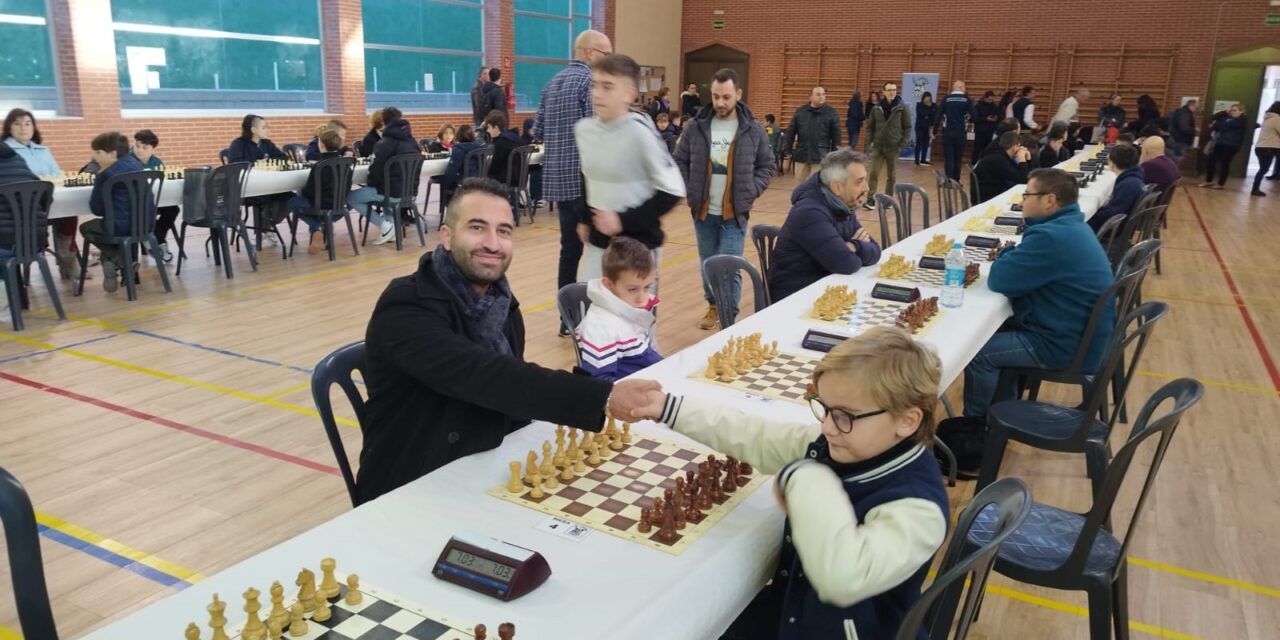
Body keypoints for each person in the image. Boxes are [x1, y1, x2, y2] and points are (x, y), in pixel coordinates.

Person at [357, 178, 661, 504]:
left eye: (504, 231)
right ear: (446, 236)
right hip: (412, 484)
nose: (493, 243)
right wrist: (603, 396)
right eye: (477, 227)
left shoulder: (501, 301)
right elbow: (486, 376)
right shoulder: (405, 306)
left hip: (485, 462)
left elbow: (511, 389)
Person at [637, 327, 948, 640]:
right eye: (824, 408)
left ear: (907, 421)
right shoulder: (839, 445)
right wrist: (668, 407)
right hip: (795, 610)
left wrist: (806, 479)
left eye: (844, 415)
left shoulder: (918, 508)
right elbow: (754, 436)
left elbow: (843, 575)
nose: (826, 426)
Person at [939, 169, 1114, 474]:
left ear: (1049, 200)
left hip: (1064, 344)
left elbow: (1002, 279)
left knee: (979, 352)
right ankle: (999, 415)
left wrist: (1006, 256)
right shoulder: (1068, 225)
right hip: (1076, 332)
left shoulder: (1052, 236)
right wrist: (1011, 254)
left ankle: (980, 430)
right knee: (994, 331)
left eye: (1027, 195)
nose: (1021, 201)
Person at [673, 67, 775, 330]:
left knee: (729, 265)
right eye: (716, 96)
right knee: (708, 264)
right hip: (703, 211)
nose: (720, 102)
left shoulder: (752, 129)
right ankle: (713, 306)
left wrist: (750, 191)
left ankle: (729, 317)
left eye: (726, 97)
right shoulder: (696, 126)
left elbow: (767, 165)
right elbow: (680, 160)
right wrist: (689, 190)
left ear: (738, 94)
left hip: (735, 213)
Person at [574, 54, 686, 292]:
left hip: (639, 246)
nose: (597, 94)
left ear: (629, 93)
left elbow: (673, 191)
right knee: (592, 318)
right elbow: (587, 177)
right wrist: (584, 218)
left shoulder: (641, 133)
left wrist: (621, 220)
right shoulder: (584, 130)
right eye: (595, 85)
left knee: (635, 324)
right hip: (599, 247)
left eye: (607, 87)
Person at [533, 29, 613, 336]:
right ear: (591, 52)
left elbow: (538, 131)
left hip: (557, 182)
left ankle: (567, 319)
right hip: (586, 183)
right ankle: (597, 319)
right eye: (606, 54)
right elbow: (599, 134)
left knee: (569, 252)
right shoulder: (590, 84)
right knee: (598, 251)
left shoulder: (551, 83)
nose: (609, 60)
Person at [767, 148, 881, 302]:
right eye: (859, 182)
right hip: (796, 299)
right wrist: (857, 246)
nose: (866, 188)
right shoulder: (809, 213)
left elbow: (875, 251)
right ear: (837, 187)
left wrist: (854, 246)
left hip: (827, 291)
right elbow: (847, 264)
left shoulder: (843, 206)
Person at [4, 108, 84, 280]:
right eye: (17, 124)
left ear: (34, 127)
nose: (23, 128)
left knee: (69, 212)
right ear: (8, 128)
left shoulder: (42, 149)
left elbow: (56, 174)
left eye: (27, 123)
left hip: (47, 201)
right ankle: (33, 254)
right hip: (21, 209)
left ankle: (66, 256)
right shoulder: (6, 151)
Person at [573, 237, 662, 381]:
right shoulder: (601, 327)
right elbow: (600, 383)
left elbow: (644, 354)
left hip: (649, 377)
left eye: (647, 287)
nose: (642, 297)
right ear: (608, 285)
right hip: (631, 393)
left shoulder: (631, 307)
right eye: (632, 289)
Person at [81, 132, 150, 292]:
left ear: (112, 154)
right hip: (146, 224)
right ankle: (112, 262)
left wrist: (98, 177)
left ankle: (120, 261)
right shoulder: (137, 165)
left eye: (98, 152)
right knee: (111, 228)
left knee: (86, 228)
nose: (94, 156)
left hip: (120, 226)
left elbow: (96, 209)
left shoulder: (105, 174)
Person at [346, 107, 419, 245]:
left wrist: (372, 185)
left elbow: (374, 171)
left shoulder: (384, 143)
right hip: (410, 193)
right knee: (386, 189)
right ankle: (390, 229)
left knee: (350, 197)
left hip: (391, 193)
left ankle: (384, 225)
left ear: (384, 122)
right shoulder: (412, 141)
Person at [228, 114, 292, 242]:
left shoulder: (267, 144)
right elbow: (235, 163)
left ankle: (264, 228)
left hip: (269, 185)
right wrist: (258, 163)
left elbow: (284, 158)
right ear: (253, 130)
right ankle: (264, 229)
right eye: (264, 127)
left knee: (290, 198)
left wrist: (266, 162)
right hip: (248, 189)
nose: (268, 130)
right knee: (266, 199)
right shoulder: (238, 144)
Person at [288, 129, 347, 255]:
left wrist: (301, 193)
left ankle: (316, 227)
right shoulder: (346, 163)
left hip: (320, 204)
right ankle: (325, 224)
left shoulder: (319, 165)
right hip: (339, 204)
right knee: (347, 202)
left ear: (321, 145)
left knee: (291, 202)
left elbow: (310, 192)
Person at [127, 130, 180, 262]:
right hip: (134, 203)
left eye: (145, 148)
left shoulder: (156, 162)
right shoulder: (127, 160)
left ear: (152, 149)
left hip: (153, 200)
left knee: (173, 209)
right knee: (146, 212)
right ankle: (157, 241)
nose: (139, 150)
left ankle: (154, 237)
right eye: (137, 146)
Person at [864, 82, 911, 210]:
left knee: (892, 175)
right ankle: (870, 199)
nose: (892, 92)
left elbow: (907, 127)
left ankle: (888, 200)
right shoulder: (876, 108)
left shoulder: (902, 108)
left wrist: (902, 144)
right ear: (884, 92)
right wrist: (870, 142)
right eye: (889, 90)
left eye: (894, 90)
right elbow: (870, 127)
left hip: (893, 147)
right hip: (878, 146)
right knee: (874, 173)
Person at [0, 143, 48, 263]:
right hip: (35, 241)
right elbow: (42, 193)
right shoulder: (18, 159)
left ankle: (7, 280)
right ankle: (12, 280)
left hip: (4, 244)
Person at [782, 86, 841, 181]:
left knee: (817, 186)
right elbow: (790, 133)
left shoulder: (831, 113)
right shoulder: (800, 112)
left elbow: (836, 137)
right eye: (818, 94)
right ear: (810, 97)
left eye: (823, 94)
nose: (821, 97)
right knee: (801, 186)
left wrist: (835, 158)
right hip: (802, 154)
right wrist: (787, 152)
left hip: (820, 156)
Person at [1088, 142, 1145, 232]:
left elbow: (1113, 212)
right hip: (1123, 222)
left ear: (1112, 163)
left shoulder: (1128, 185)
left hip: (1115, 228)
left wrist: (1092, 214)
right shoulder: (1134, 178)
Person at [973, 131, 1031, 204]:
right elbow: (1022, 180)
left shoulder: (999, 155)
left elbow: (1023, 175)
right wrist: (1022, 161)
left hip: (990, 192)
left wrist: (1028, 160)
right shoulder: (998, 159)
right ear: (1015, 147)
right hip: (989, 198)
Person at [1200, 104, 1247, 190]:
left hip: (1232, 145)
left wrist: (1222, 125)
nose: (1233, 112)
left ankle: (1221, 184)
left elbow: (1227, 126)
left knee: (1224, 164)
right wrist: (1225, 113)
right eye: (1231, 110)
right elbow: (1216, 125)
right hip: (1220, 142)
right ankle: (1208, 181)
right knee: (1211, 161)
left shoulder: (1242, 120)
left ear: (1241, 111)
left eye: (1235, 110)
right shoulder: (1226, 118)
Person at [937, 81, 976, 180]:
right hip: (960, 132)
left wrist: (934, 131)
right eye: (964, 87)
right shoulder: (967, 100)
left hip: (948, 132)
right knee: (958, 158)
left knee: (949, 158)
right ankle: (956, 181)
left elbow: (938, 115)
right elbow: (975, 116)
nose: (965, 89)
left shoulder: (946, 99)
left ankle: (948, 180)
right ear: (960, 87)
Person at [1251, 101, 1280, 197]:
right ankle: (1255, 189)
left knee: (1263, 169)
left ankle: (1255, 188)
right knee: (1264, 169)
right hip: (1269, 148)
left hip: (1260, 147)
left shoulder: (1267, 118)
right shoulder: (1276, 119)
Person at [973, 90, 1002, 160]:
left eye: (992, 99)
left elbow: (1000, 116)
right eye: (989, 99)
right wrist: (986, 118)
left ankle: (984, 164)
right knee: (977, 149)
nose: (991, 101)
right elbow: (974, 119)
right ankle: (974, 164)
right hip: (980, 131)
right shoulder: (978, 106)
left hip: (990, 131)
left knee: (987, 150)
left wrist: (996, 118)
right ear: (985, 98)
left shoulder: (994, 106)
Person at [913, 91, 937, 166]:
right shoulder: (919, 105)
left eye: (929, 97)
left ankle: (923, 160)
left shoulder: (933, 105)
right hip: (920, 127)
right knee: (918, 143)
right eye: (926, 97)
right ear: (923, 97)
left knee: (926, 144)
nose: (928, 98)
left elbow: (935, 113)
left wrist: (927, 114)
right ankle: (916, 161)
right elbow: (921, 113)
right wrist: (930, 112)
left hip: (928, 127)